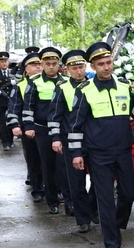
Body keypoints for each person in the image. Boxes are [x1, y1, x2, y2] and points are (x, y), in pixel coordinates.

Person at [67, 42, 134, 248]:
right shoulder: (85, 91)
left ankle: (115, 223)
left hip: (124, 151)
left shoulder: (125, 87)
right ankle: (111, 243)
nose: (107, 67)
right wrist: (77, 153)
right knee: (105, 198)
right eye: (101, 64)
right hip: (99, 154)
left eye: (109, 63)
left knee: (130, 192)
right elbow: (74, 125)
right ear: (93, 66)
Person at [48, 49, 98, 234]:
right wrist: (55, 138)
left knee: (97, 178)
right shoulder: (62, 88)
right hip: (71, 140)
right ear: (67, 69)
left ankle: (93, 208)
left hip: (93, 138)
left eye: (81, 67)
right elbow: (54, 115)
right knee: (76, 181)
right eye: (74, 68)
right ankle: (82, 218)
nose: (79, 71)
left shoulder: (93, 85)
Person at [23, 47, 73, 216]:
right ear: (42, 64)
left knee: (64, 165)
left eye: (54, 63)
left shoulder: (66, 81)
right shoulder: (35, 82)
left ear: (59, 64)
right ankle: (52, 201)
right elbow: (28, 106)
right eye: (48, 64)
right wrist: (29, 127)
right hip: (42, 130)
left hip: (61, 130)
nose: (51, 67)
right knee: (48, 165)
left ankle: (66, 198)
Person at [7, 53, 44, 203]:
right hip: (29, 127)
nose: (38, 67)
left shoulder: (49, 83)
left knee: (50, 160)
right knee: (33, 158)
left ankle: (53, 187)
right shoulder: (20, 86)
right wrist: (15, 125)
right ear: (26, 69)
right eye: (34, 65)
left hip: (46, 127)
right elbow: (14, 107)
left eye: (40, 64)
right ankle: (37, 188)